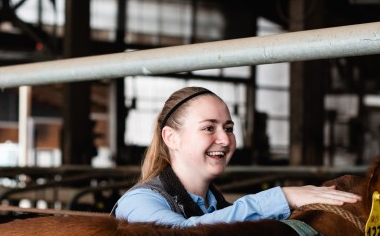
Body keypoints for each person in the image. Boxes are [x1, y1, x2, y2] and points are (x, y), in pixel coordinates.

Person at [113, 86, 361, 226]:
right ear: (171, 138)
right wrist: (282, 197)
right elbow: (181, 235)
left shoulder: (217, 208)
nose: (225, 139)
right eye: (209, 128)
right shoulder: (140, 201)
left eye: (229, 128)